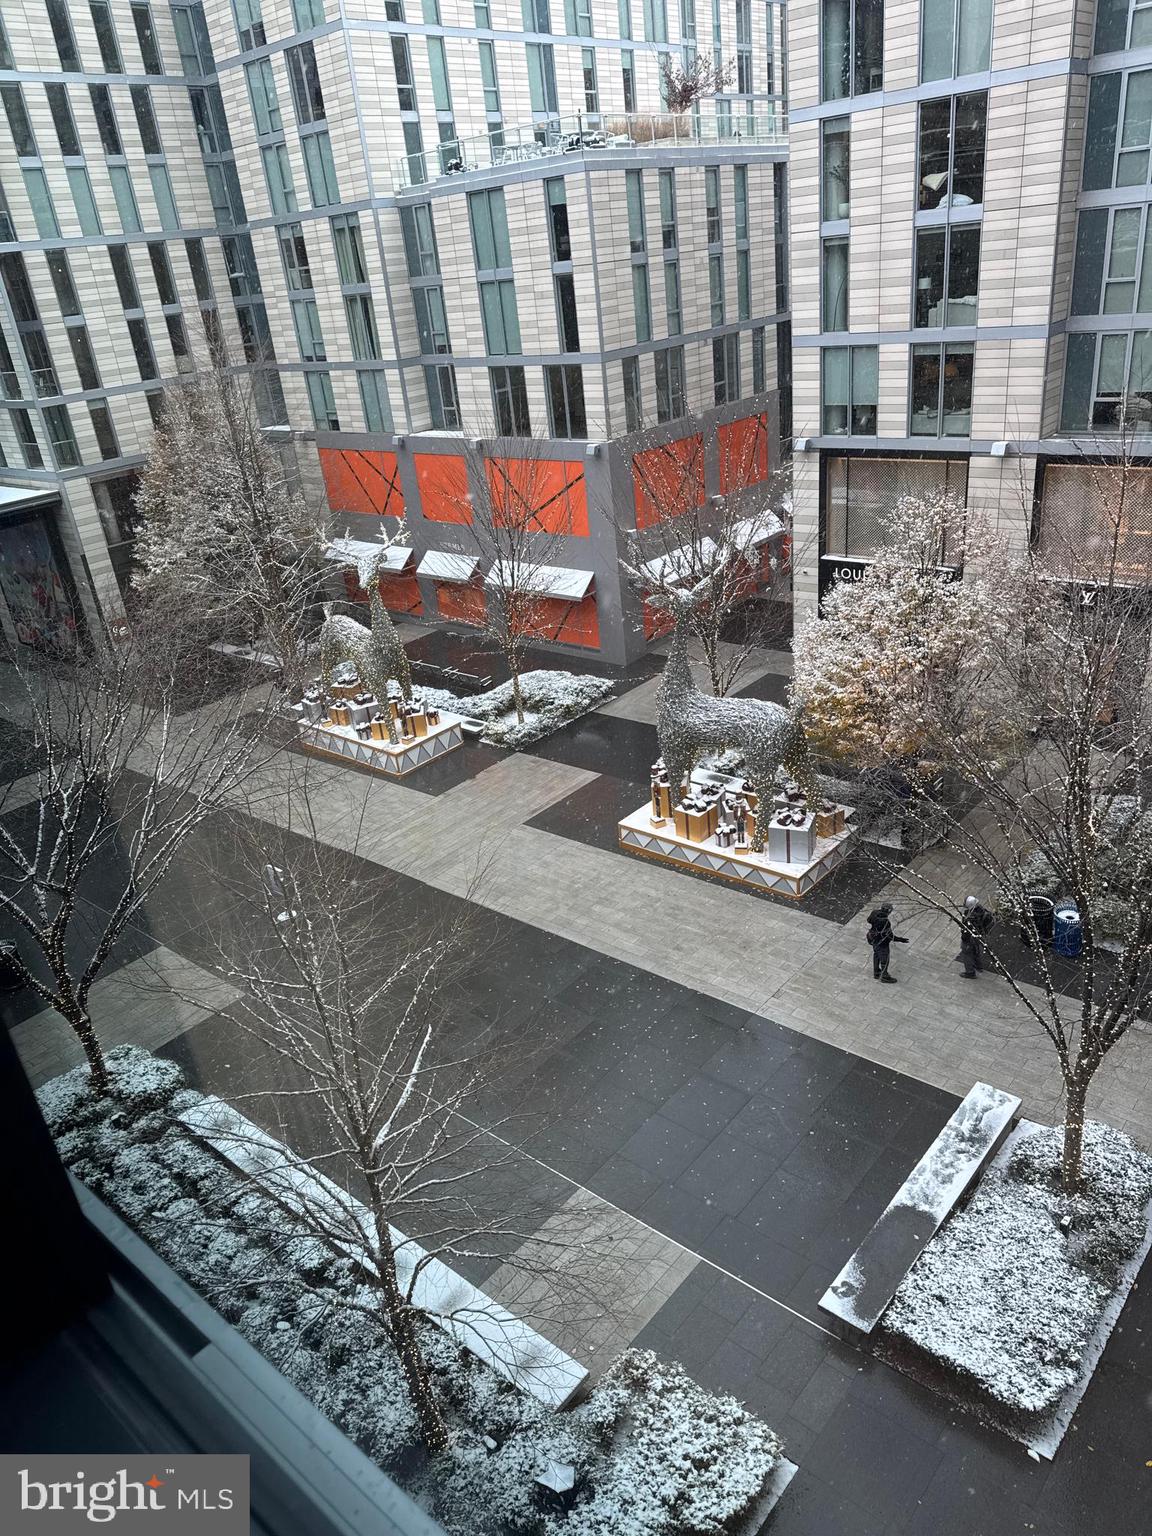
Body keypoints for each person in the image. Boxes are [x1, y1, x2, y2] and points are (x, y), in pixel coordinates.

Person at [866, 903, 907, 982]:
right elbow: (889, 936)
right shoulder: (885, 922)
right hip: (882, 943)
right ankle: (885, 976)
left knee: (876, 955)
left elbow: (869, 920)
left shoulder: (874, 913)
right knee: (885, 959)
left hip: (872, 939)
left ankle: (876, 972)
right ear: (888, 911)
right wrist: (900, 939)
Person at [957, 895, 994, 979]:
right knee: (976, 950)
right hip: (980, 935)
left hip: (970, 938)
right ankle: (978, 966)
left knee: (967, 953)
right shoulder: (982, 910)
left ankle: (970, 972)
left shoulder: (970, 918)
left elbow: (966, 931)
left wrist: (964, 939)